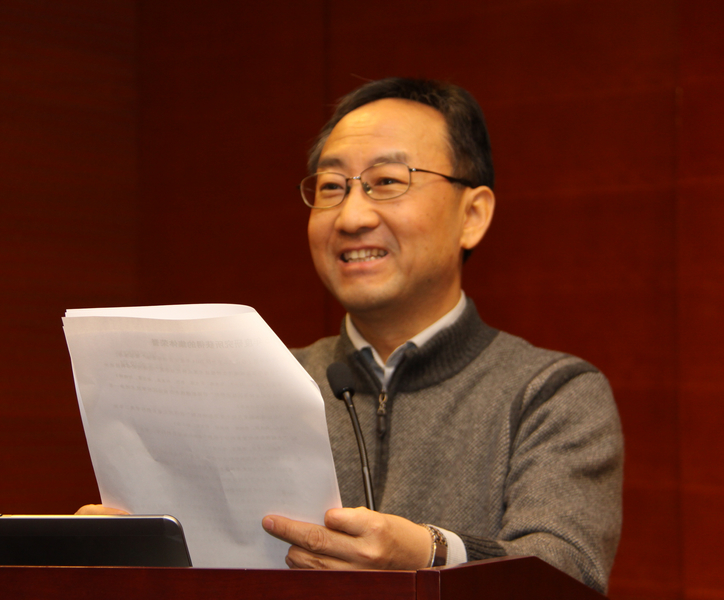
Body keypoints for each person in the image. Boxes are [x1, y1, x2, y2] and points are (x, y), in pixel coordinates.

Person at [80, 77, 623, 593]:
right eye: (332, 187)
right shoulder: (255, 382)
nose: (351, 216)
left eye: (387, 182)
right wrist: (128, 552)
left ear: (472, 215)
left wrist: (430, 553)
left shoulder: (550, 393)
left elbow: (567, 573)